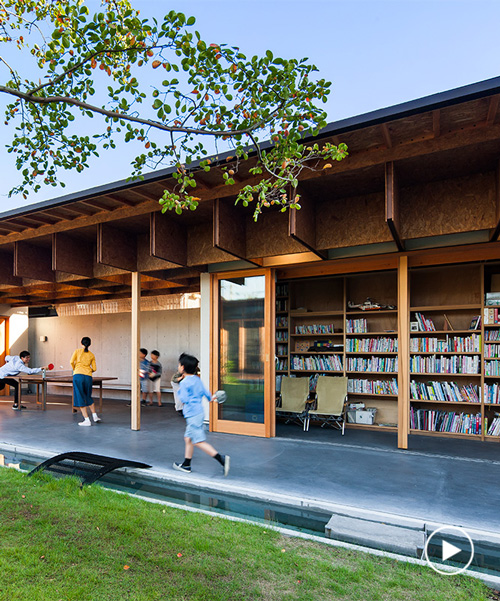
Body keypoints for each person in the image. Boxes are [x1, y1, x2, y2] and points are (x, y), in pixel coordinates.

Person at [173, 353, 230, 477]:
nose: (178, 367)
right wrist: (213, 397)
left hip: (192, 415)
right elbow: (208, 395)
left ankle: (222, 459)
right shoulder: (197, 379)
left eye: (179, 365)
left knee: (198, 441)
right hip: (198, 413)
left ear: (182, 368)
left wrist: (180, 390)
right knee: (188, 438)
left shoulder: (184, 383)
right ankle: (186, 464)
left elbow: (183, 398)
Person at [70, 337, 100, 427]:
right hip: (88, 377)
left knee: (79, 397)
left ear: (81, 343)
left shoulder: (77, 351)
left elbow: (71, 361)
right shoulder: (91, 355)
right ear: (90, 344)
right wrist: (88, 370)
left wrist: (75, 369)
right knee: (87, 396)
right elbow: (94, 368)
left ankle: (87, 420)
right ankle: (95, 416)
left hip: (78, 376)